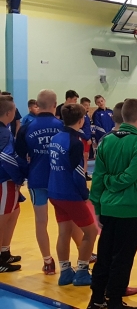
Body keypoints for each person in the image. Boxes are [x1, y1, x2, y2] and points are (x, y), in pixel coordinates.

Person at [87, 98, 137, 309]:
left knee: (104, 254)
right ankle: (115, 304)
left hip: (107, 206)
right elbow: (132, 176)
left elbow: (98, 177)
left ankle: (96, 298)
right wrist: (114, 184)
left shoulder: (106, 140)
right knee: (123, 257)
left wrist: (97, 206)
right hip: (129, 207)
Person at [17, 89, 78, 274]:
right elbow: (73, 155)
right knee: (69, 219)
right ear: (55, 105)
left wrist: (27, 172)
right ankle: (85, 251)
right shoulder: (63, 126)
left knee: (40, 221)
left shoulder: (27, 127)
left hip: (37, 179)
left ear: (37, 105)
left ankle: (48, 261)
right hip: (60, 180)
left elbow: (20, 155)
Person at [48, 104, 98, 287]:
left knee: (64, 232)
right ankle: (82, 271)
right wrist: (85, 194)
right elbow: (77, 173)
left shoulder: (55, 138)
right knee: (91, 231)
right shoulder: (75, 142)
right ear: (81, 120)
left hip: (55, 191)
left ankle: (65, 271)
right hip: (70, 194)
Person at [0, 97, 27, 272]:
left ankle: (5, 251)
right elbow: (5, 157)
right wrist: (18, 177)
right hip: (4, 179)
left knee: (14, 212)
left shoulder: (4, 130)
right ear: (9, 113)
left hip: (5, 178)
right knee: (3, 217)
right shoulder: (4, 133)